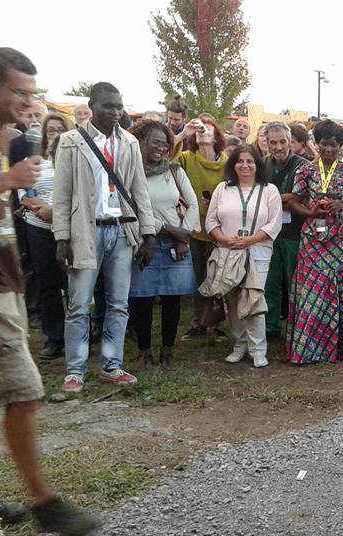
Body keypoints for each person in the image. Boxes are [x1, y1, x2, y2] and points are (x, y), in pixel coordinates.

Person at [0, 45, 101, 536]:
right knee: (24, 390)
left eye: (33, 94)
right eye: (21, 92)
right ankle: (45, 502)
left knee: (19, 393)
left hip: (6, 282)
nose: (29, 102)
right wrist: (6, 181)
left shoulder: (7, 138)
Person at [53, 82, 157, 393]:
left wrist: (148, 234)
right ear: (92, 105)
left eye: (119, 106)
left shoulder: (128, 143)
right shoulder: (71, 142)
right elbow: (61, 195)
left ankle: (112, 365)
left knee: (119, 304)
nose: (115, 111)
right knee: (79, 303)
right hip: (86, 231)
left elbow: (140, 190)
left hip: (122, 231)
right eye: (108, 106)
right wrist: (61, 240)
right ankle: (75, 370)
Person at [285, 121, 343, 363]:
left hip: (342, 239)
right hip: (313, 239)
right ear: (317, 144)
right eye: (324, 144)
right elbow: (294, 202)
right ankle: (310, 349)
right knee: (314, 292)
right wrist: (310, 212)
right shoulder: (305, 171)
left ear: (341, 146)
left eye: (334, 145)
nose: (329, 149)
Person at [127, 120, 199, 368]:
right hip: (144, 242)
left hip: (175, 246)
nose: (161, 147)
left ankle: (167, 351)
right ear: (140, 142)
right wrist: (168, 229)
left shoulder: (175, 171)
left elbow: (193, 205)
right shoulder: (130, 173)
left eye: (165, 143)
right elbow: (134, 209)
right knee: (142, 299)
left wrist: (184, 238)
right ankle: (143, 353)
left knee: (172, 300)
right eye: (155, 142)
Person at [204, 145, 283, 367]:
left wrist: (249, 240)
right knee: (232, 300)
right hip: (228, 252)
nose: (245, 165)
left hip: (258, 252)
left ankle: (258, 349)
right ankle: (240, 344)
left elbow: (274, 224)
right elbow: (210, 221)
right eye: (240, 161)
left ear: (258, 165)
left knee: (253, 298)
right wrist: (224, 239)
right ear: (233, 164)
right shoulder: (222, 189)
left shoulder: (269, 190)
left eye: (250, 161)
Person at [19, 112, 72, 360]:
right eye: (50, 130)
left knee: (73, 284)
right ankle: (55, 338)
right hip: (38, 227)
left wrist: (56, 211)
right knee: (48, 285)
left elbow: (80, 193)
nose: (55, 134)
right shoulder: (36, 162)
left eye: (60, 129)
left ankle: (77, 335)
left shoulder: (75, 160)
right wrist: (40, 208)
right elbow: (24, 193)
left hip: (69, 229)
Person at [175, 116, 228, 338]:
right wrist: (182, 133)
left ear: (217, 136)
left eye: (208, 129)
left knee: (219, 277)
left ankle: (216, 325)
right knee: (199, 277)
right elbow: (166, 158)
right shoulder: (186, 159)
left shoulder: (228, 163)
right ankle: (201, 323)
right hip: (195, 228)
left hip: (221, 228)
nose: (202, 131)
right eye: (198, 130)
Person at [261, 122, 307, 338]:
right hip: (269, 234)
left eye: (282, 141)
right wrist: (285, 199)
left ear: (290, 141)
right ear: (267, 143)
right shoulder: (263, 165)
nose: (278, 147)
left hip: (295, 234)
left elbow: (302, 198)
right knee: (270, 283)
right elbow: (258, 196)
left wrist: (273, 199)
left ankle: (298, 327)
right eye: (273, 142)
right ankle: (270, 327)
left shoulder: (304, 165)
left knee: (295, 284)